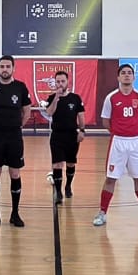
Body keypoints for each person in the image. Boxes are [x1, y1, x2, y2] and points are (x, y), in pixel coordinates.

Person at [94, 64, 138, 226]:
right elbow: (106, 121)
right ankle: (102, 213)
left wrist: (135, 131)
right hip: (118, 142)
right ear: (118, 77)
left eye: (129, 73)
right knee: (111, 178)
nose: (127, 75)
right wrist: (118, 131)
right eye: (123, 73)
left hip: (136, 142)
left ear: (134, 77)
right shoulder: (111, 98)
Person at [0, 56, 32, 228]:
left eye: (8, 66)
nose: (5, 69)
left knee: (15, 174)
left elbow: (26, 112)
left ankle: (15, 214)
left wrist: (16, 126)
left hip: (14, 136)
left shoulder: (20, 87)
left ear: (13, 68)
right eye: (2, 66)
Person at [44, 69, 86, 199]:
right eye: (58, 81)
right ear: (55, 83)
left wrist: (82, 130)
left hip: (72, 135)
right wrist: (56, 98)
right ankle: (58, 192)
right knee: (57, 164)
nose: (60, 84)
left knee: (70, 163)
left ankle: (68, 186)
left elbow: (81, 116)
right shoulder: (52, 98)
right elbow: (49, 113)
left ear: (68, 82)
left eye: (63, 81)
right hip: (57, 136)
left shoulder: (75, 98)